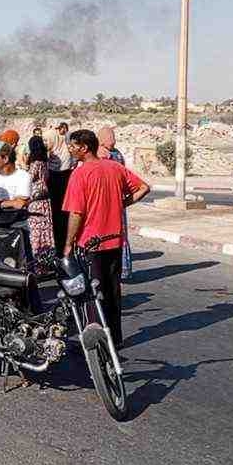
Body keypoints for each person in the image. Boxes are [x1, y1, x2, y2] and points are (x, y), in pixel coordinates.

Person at [61, 129, 150, 346]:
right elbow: (144, 188)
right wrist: (122, 204)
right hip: (115, 240)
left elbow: (76, 213)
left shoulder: (80, 174)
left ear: (84, 147)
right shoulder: (114, 167)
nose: (70, 149)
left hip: (91, 243)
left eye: (73, 146)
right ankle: (115, 338)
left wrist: (68, 243)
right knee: (113, 290)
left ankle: (98, 341)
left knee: (92, 294)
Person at [97, 126, 133, 280]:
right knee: (120, 233)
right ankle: (123, 268)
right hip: (118, 200)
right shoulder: (118, 154)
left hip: (103, 200)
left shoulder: (100, 154)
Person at [24, 135, 56, 279]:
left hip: (36, 201)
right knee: (45, 233)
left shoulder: (36, 163)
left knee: (36, 233)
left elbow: (29, 178)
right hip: (45, 200)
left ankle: (37, 266)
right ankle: (45, 264)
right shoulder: (45, 161)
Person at [47, 122, 74, 255]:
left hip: (61, 174)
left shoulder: (65, 137)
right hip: (59, 174)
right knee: (60, 212)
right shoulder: (55, 137)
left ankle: (62, 246)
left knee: (62, 212)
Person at [0, 142, 32, 209]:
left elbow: (20, 203)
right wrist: (9, 203)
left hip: (17, 219)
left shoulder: (24, 177)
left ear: (5, 159)